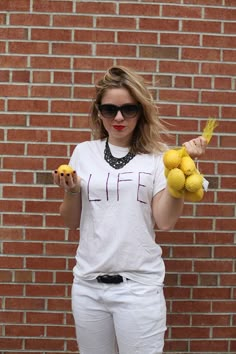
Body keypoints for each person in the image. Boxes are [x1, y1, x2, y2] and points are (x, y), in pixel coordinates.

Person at [53, 66, 207, 354]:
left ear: (141, 112)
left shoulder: (161, 157)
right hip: (88, 286)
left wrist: (181, 180)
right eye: (110, 109)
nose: (119, 118)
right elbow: (71, 221)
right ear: (99, 113)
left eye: (129, 109)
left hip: (138, 288)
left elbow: (165, 221)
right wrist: (72, 191)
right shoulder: (83, 153)